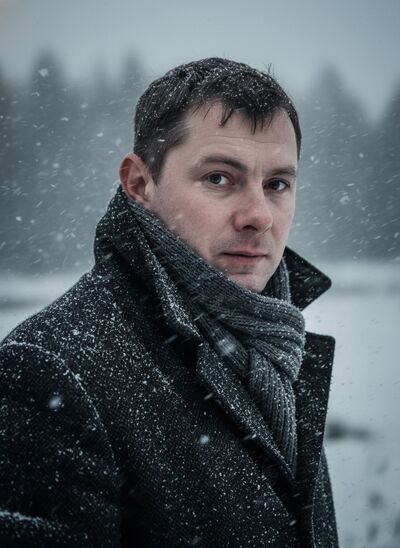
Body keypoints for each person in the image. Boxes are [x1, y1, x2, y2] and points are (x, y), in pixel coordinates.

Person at [0, 58, 338, 547]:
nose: (259, 216)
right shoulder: (51, 370)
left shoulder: (275, 351)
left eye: (277, 184)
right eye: (219, 178)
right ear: (139, 184)